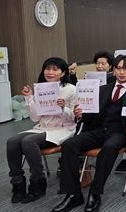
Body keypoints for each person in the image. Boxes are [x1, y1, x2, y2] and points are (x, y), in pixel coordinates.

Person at [51, 55, 126, 212]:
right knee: (69, 145)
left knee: (109, 147)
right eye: (118, 68)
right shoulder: (103, 89)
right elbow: (91, 115)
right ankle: (73, 194)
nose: (122, 72)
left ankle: (95, 193)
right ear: (113, 70)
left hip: (122, 132)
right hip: (99, 130)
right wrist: (81, 114)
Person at [6, 57, 76, 203]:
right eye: (47, 68)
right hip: (42, 127)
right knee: (12, 141)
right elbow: (35, 118)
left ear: (63, 73)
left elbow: (76, 118)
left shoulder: (71, 89)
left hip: (63, 129)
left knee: (28, 141)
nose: (50, 72)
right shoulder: (41, 89)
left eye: (55, 69)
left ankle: (38, 182)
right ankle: (17, 183)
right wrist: (29, 98)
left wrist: (63, 108)